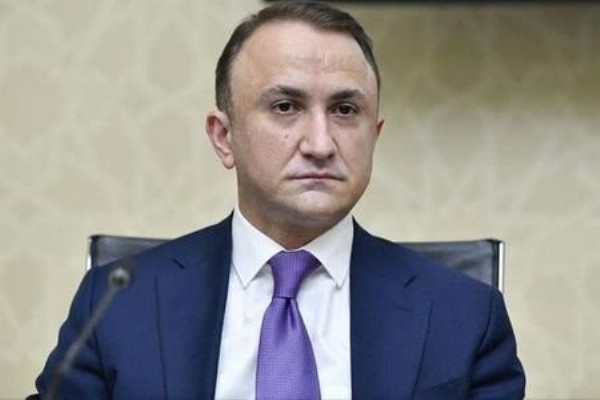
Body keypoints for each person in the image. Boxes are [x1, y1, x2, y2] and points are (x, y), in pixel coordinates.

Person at [34, 1, 526, 398]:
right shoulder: (117, 304)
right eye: (286, 106)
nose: (320, 144)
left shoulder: (465, 316)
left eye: (345, 110)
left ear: (374, 136)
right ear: (224, 137)